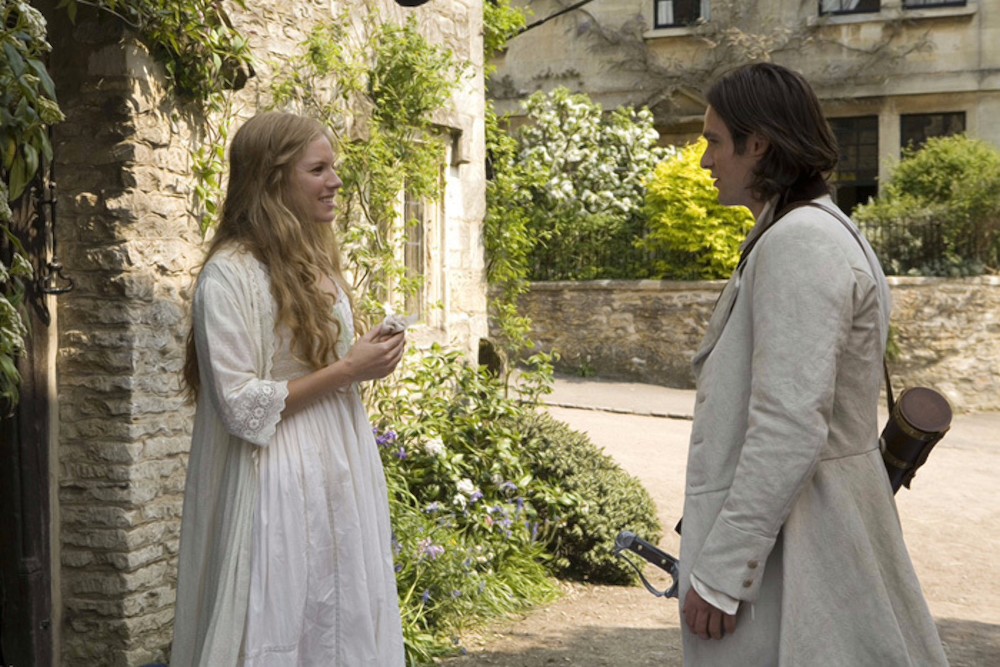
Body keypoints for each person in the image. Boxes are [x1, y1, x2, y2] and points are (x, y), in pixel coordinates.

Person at [677, 63, 948, 666]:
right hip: (803, 530)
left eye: (714, 142)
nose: (705, 160)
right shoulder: (810, 231)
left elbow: (790, 422)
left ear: (757, 144)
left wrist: (723, 574)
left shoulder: (801, 241)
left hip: (804, 544)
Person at [170, 111, 407, 666]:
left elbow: (319, 361)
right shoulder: (230, 274)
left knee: (340, 614)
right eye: (317, 169)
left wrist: (365, 356)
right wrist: (349, 370)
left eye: (333, 168)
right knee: (283, 616)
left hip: (340, 463)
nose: (335, 181)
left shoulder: (313, 257)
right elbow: (240, 404)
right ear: (272, 179)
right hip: (278, 476)